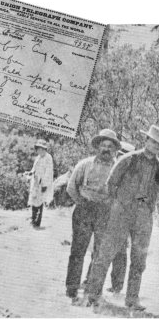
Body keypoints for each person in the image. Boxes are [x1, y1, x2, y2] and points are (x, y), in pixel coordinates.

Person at [85, 125, 159, 311]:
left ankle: (132, 299)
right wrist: (116, 206)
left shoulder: (158, 166)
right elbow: (111, 184)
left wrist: (148, 207)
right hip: (121, 214)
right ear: (146, 141)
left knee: (139, 259)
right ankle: (93, 295)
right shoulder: (129, 159)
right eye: (153, 141)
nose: (156, 145)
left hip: (143, 217)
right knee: (106, 253)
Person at [65, 128, 120, 302]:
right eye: (103, 145)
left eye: (110, 146)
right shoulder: (85, 164)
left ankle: (92, 288)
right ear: (97, 146)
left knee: (99, 253)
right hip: (84, 209)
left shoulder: (118, 168)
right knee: (78, 250)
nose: (106, 149)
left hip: (105, 213)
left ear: (114, 150)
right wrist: (81, 203)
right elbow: (71, 187)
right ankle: (72, 287)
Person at [82, 140, 136, 294]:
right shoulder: (109, 168)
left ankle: (117, 286)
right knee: (98, 249)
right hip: (105, 215)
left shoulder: (133, 175)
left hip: (123, 217)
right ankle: (90, 280)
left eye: (125, 155)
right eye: (120, 155)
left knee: (120, 252)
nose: (121, 158)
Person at [26, 139, 54, 228]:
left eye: (41, 149)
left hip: (42, 183)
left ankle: (37, 221)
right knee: (34, 200)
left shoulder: (48, 158)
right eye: (38, 149)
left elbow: (48, 172)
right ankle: (33, 219)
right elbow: (34, 168)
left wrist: (45, 184)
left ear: (45, 149)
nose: (40, 151)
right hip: (36, 182)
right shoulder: (38, 158)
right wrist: (30, 172)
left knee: (40, 202)